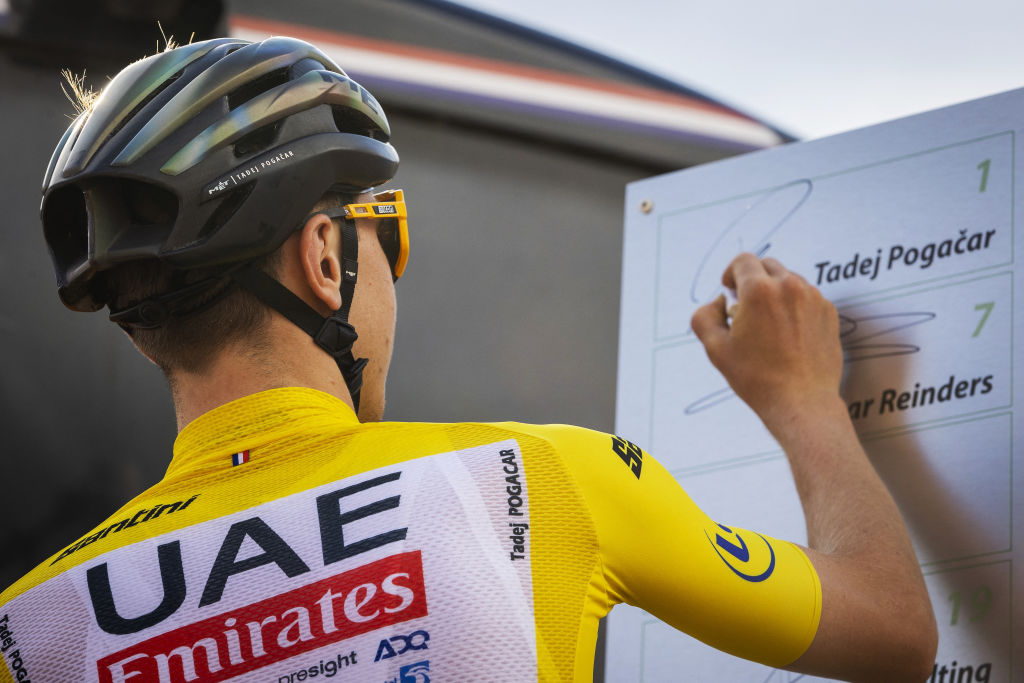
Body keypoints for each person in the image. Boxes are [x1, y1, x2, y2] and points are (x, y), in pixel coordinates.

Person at [0, 36, 936, 683]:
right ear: (324, 260)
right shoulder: (539, 481)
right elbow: (894, 633)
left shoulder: (29, 628)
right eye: (387, 235)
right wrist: (804, 396)